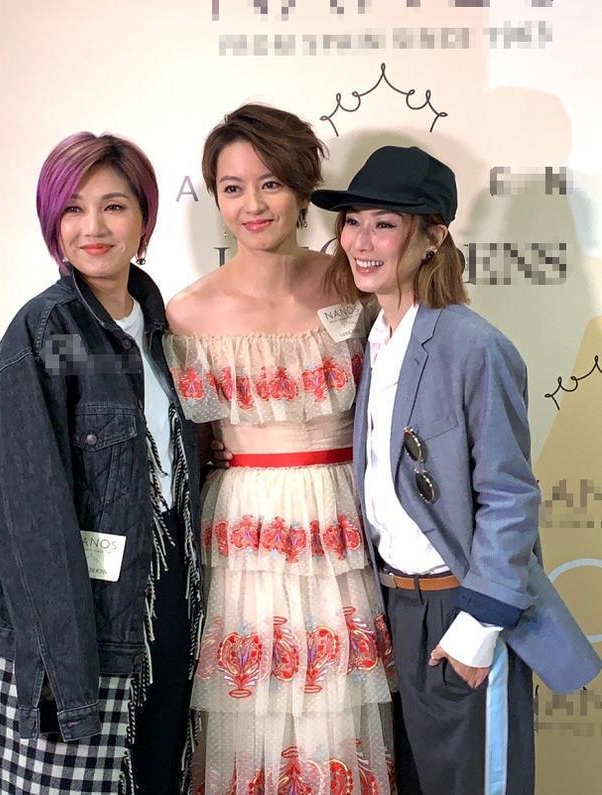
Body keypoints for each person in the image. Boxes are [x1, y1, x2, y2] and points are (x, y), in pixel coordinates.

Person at [310, 144, 602, 795]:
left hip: (461, 608)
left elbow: (509, 496)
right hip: (393, 609)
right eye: (352, 222)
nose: (361, 241)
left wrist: (477, 628)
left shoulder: (475, 347)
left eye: (384, 224)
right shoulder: (371, 340)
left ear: (433, 237)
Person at [163, 104, 396, 794]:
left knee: (337, 714)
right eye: (232, 188)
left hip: (344, 518)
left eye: (270, 183)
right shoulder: (185, 313)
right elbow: (190, 444)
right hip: (245, 530)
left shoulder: (356, 283)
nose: (253, 205)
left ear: (301, 188)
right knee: (249, 710)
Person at [0, 132, 203, 794]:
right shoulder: (48, 333)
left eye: (114, 206)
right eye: (73, 208)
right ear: (52, 221)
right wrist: (63, 682)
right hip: (73, 629)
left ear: (144, 218)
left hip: (161, 607)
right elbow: (29, 521)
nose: (92, 227)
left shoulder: (161, 331)